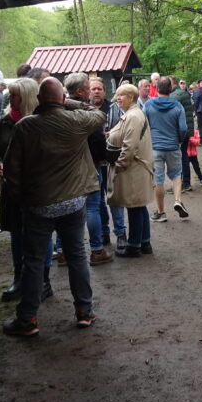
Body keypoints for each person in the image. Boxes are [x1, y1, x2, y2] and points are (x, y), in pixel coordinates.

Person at [2, 77, 106, 336]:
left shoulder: (26, 127)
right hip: (73, 203)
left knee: (34, 262)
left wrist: (19, 199)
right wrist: (64, 102)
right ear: (62, 99)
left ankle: (27, 320)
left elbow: (12, 170)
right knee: (77, 256)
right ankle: (84, 312)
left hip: (38, 206)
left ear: (38, 99)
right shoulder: (77, 122)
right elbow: (98, 113)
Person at [0, 77, 43, 301]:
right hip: (11, 189)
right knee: (16, 234)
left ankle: (43, 280)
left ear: (26, 97)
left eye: (15, 94)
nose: (10, 98)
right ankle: (18, 279)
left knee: (38, 235)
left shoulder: (41, 121)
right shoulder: (4, 121)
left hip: (36, 187)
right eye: (10, 94)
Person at [65, 73, 115, 265]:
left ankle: (63, 251)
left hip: (67, 166)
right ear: (79, 91)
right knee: (93, 206)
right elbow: (97, 135)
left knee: (68, 208)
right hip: (88, 164)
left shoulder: (61, 109)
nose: (91, 92)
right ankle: (96, 249)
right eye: (88, 88)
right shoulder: (85, 113)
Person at [107, 83, 155, 257]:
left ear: (131, 97)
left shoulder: (133, 116)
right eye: (117, 95)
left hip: (133, 168)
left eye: (122, 95)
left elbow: (130, 146)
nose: (118, 99)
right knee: (139, 206)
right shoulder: (132, 114)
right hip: (136, 167)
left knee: (134, 206)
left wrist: (119, 165)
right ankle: (144, 242)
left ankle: (134, 246)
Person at [144, 76, 189, 222]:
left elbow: (143, 125)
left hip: (155, 147)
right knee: (176, 174)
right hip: (172, 146)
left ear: (156, 88)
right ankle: (177, 200)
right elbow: (183, 128)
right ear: (171, 89)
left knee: (158, 180)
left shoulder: (149, 105)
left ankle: (161, 212)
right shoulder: (177, 106)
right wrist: (179, 140)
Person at [89, 77, 127, 248]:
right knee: (98, 203)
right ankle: (104, 232)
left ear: (105, 91)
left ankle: (120, 233)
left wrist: (113, 134)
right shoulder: (85, 111)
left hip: (111, 162)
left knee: (115, 199)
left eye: (99, 89)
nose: (96, 91)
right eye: (93, 89)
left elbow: (125, 129)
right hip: (92, 164)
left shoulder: (114, 110)